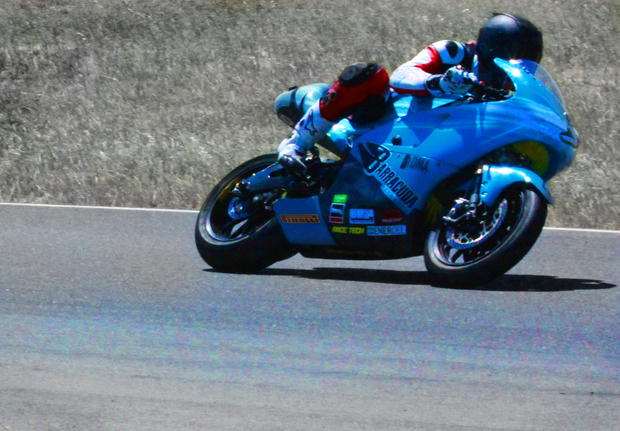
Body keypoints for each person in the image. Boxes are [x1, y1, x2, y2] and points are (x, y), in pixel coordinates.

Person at [277, 12, 544, 177]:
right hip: (381, 119)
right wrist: (440, 83)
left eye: (528, 60)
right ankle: (295, 145)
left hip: (427, 152)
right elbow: (401, 76)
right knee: (370, 75)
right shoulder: (454, 53)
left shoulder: (505, 93)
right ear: (494, 47)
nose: (519, 65)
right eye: (516, 55)